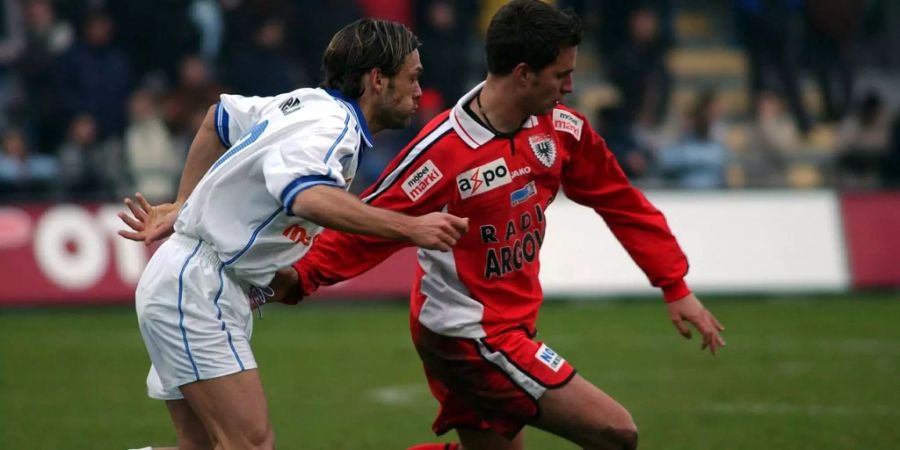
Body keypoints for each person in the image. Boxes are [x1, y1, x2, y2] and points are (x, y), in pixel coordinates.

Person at [285, 2, 725, 449]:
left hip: (505, 325)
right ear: (523, 74)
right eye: (561, 75)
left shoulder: (561, 130)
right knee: (617, 433)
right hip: (468, 336)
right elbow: (374, 222)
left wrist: (674, 284)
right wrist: (298, 277)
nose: (570, 87)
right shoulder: (444, 152)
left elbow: (620, 200)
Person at [119, 19, 468, 450]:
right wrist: (412, 228)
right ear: (378, 80)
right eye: (412, 78)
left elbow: (218, 118)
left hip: (190, 279)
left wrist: (184, 204)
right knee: (250, 444)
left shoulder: (306, 103)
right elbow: (306, 197)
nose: (419, 91)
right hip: (196, 287)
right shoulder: (331, 128)